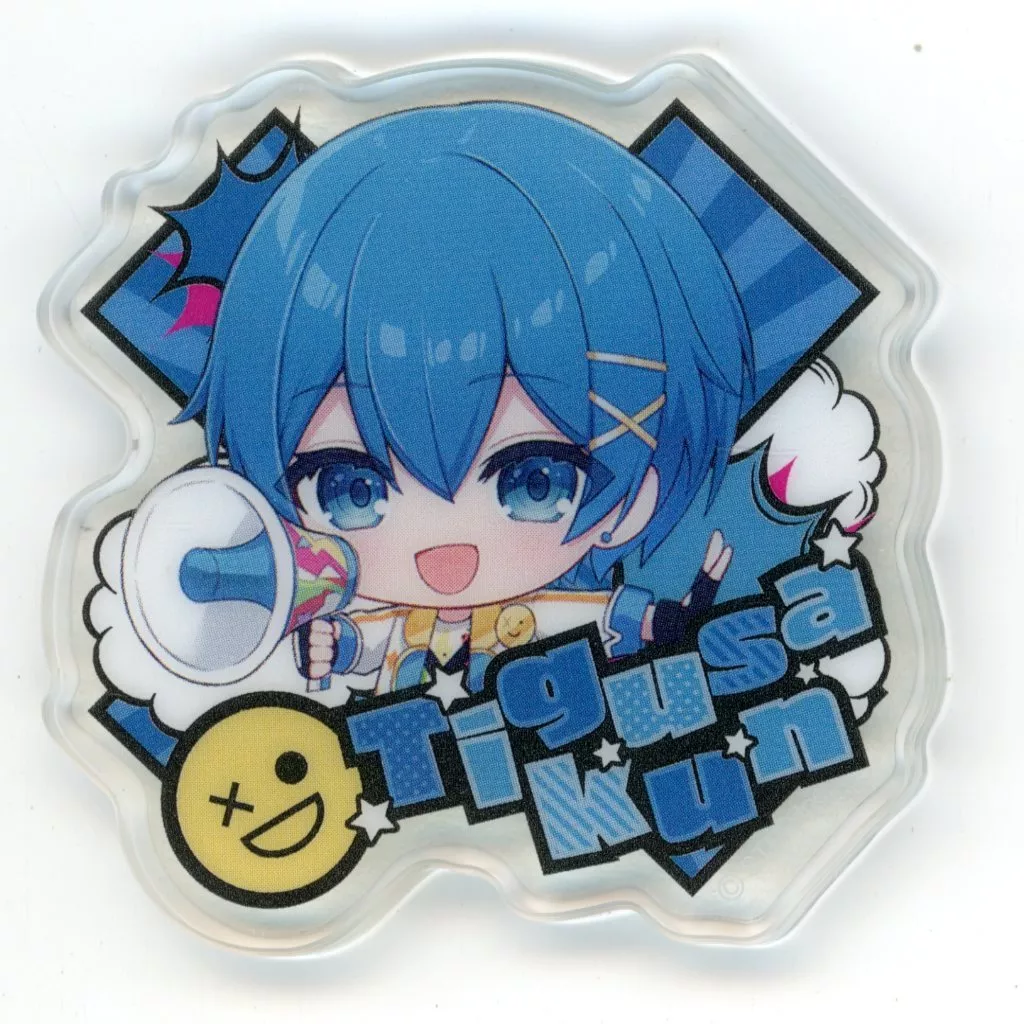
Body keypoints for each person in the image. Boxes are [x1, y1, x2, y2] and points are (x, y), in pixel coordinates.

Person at [179, 102, 753, 697]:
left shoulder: (545, 613)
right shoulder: (399, 623)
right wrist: (322, 643)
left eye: (535, 483)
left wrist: (688, 612)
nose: (444, 550)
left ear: (630, 507)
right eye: (352, 492)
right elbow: (357, 643)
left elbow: (618, 618)